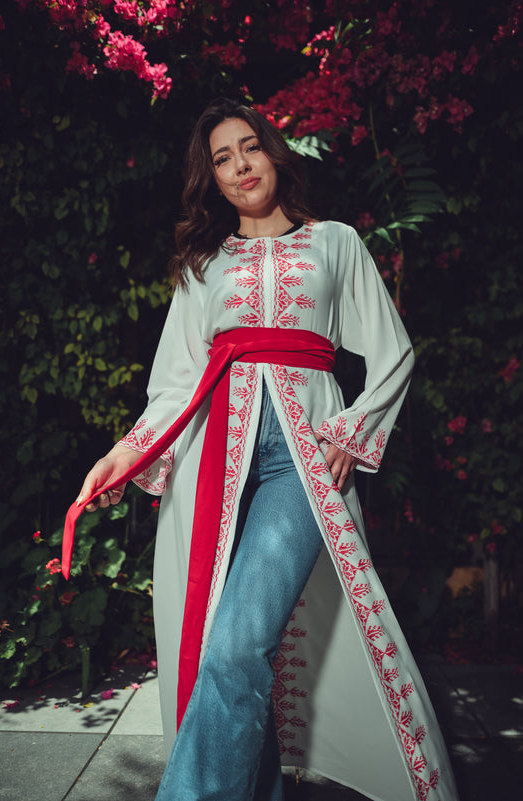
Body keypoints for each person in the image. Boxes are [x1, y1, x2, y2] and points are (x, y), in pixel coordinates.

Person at [68, 98, 458, 801]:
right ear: (212, 180)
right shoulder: (203, 264)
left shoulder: (335, 242)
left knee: (237, 644)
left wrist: (353, 429)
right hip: (212, 459)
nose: (240, 165)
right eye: (222, 158)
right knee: (224, 646)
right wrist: (123, 455)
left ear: (273, 153)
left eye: (249, 147)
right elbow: (175, 383)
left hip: (298, 461)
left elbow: (392, 352)